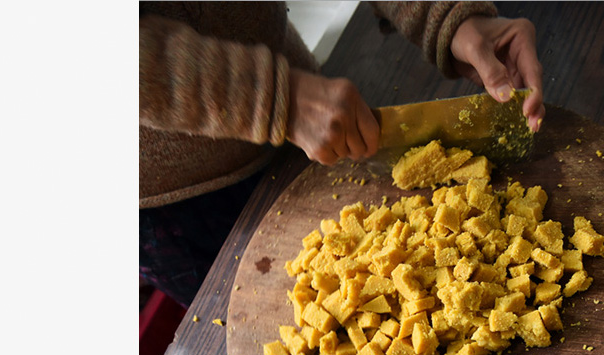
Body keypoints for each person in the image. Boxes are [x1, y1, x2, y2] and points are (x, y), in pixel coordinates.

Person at [139, 1, 545, 308]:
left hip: (306, 95)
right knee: (257, 308)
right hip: (175, 196)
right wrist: (267, 97)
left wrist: (443, 13)